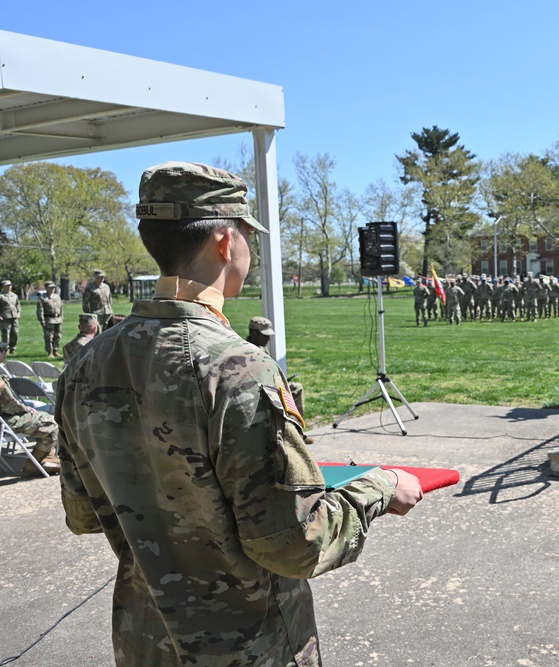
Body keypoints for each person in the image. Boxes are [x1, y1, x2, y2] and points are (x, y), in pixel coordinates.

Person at [56, 161, 423, 666]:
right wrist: (379, 487)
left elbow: (82, 514)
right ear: (226, 242)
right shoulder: (236, 367)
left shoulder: (85, 363)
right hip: (251, 647)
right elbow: (294, 544)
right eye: (249, 236)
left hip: (146, 644)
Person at [245, 315, 313, 444]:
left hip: (270, 385)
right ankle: (291, 434)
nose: (268, 338)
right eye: (264, 335)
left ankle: (297, 431)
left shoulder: (262, 348)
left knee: (296, 388)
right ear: (254, 333)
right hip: (259, 390)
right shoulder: (248, 350)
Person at [0, 342, 60, 476]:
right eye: (2, 350)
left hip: (3, 419)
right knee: (51, 423)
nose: (5, 353)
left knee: (41, 417)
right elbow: (10, 406)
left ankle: (47, 459)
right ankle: (34, 464)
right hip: (6, 421)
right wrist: (27, 410)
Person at [36, 281, 64, 358]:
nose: (52, 289)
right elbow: (40, 310)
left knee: (58, 336)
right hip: (48, 319)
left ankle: (56, 350)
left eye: (53, 288)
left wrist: (61, 318)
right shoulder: (42, 298)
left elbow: (61, 308)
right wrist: (42, 320)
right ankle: (50, 351)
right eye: (50, 288)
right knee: (49, 337)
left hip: (57, 319)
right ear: (46, 288)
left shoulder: (57, 297)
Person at [0, 279, 21, 354]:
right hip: (5, 317)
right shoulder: (1, 296)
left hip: (14, 317)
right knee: (6, 334)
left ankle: (13, 348)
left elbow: (18, 305)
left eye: (10, 285)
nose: (9, 287)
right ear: (3, 286)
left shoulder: (14, 295)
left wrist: (18, 313)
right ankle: (5, 349)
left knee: (15, 333)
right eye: (7, 286)